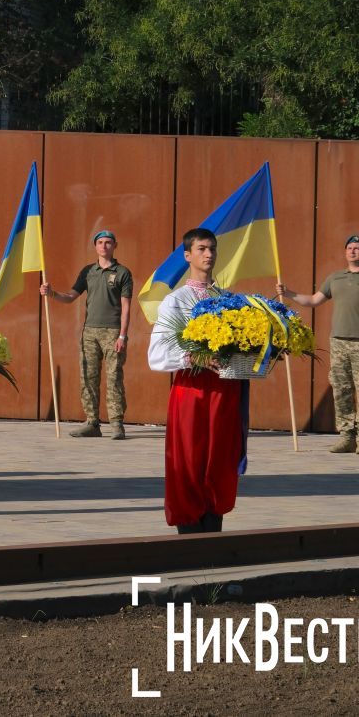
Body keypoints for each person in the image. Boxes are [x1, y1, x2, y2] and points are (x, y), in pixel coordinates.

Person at [147, 228, 246, 534]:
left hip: (224, 391)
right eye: (202, 248)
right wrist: (195, 358)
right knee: (189, 458)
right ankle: (189, 528)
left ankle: (213, 523)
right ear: (187, 255)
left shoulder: (231, 301)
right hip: (191, 391)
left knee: (220, 457)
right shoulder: (176, 301)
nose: (209, 254)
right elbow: (156, 354)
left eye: (212, 248)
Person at [278, 235, 359, 455]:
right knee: (341, 390)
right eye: (349, 248)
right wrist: (288, 293)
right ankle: (346, 437)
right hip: (338, 342)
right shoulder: (335, 278)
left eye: (358, 248)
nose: (353, 251)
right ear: (345, 252)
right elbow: (313, 300)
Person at [40, 230, 134, 439]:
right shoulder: (88, 272)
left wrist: (123, 336)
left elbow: (126, 307)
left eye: (108, 242)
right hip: (89, 332)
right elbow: (71, 296)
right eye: (100, 242)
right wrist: (52, 293)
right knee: (88, 377)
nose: (104, 246)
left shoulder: (122, 273)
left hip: (113, 332)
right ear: (95, 246)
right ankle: (92, 423)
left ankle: (117, 423)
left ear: (115, 246)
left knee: (114, 378)